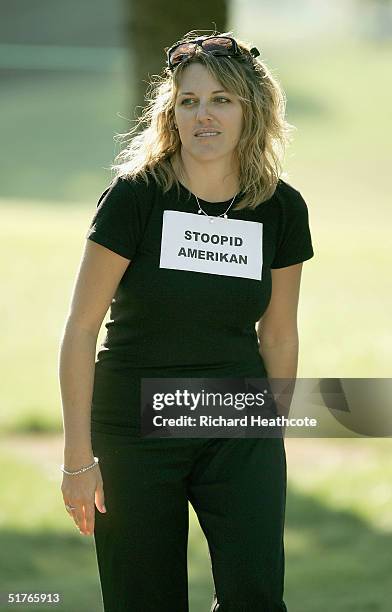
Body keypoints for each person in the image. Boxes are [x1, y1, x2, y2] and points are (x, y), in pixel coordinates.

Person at [59, 29, 314, 612]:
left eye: (221, 100)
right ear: (171, 113)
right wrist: (78, 458)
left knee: (256, 595)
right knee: (144, 599)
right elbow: (80, 328)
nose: (204, 115)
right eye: (190, 101)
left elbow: (278, 332)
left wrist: (270, 433)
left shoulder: (280, 208)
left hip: (235, 422)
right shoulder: (135, 198)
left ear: (252, 110)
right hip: (134, 426)